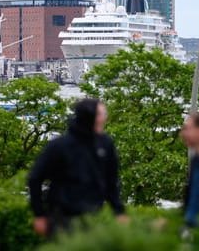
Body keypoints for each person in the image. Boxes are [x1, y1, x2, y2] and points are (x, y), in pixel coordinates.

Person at [28, 99, 126, 237]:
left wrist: (118, 211)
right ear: (89, 117)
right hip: (62, 215)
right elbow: (35, 178)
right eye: (101, 114)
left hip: (93, 214)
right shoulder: (59, 146)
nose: (105, 118)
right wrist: (39, 214)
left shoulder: (105, 143)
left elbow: (111, 180)